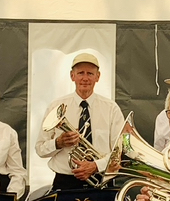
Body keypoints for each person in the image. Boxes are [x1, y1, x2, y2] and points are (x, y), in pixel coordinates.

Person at [36, 53, 125, 190]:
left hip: (101, 178)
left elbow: (119, 152)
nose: (85, 78)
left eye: (90, 73)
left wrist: (95, 166)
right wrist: (58, 143)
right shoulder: (56, 107)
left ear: (98, 77)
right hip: (65, 181)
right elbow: (40, 149)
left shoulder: (111, 109)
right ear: (72, 76)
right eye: (80, 73)